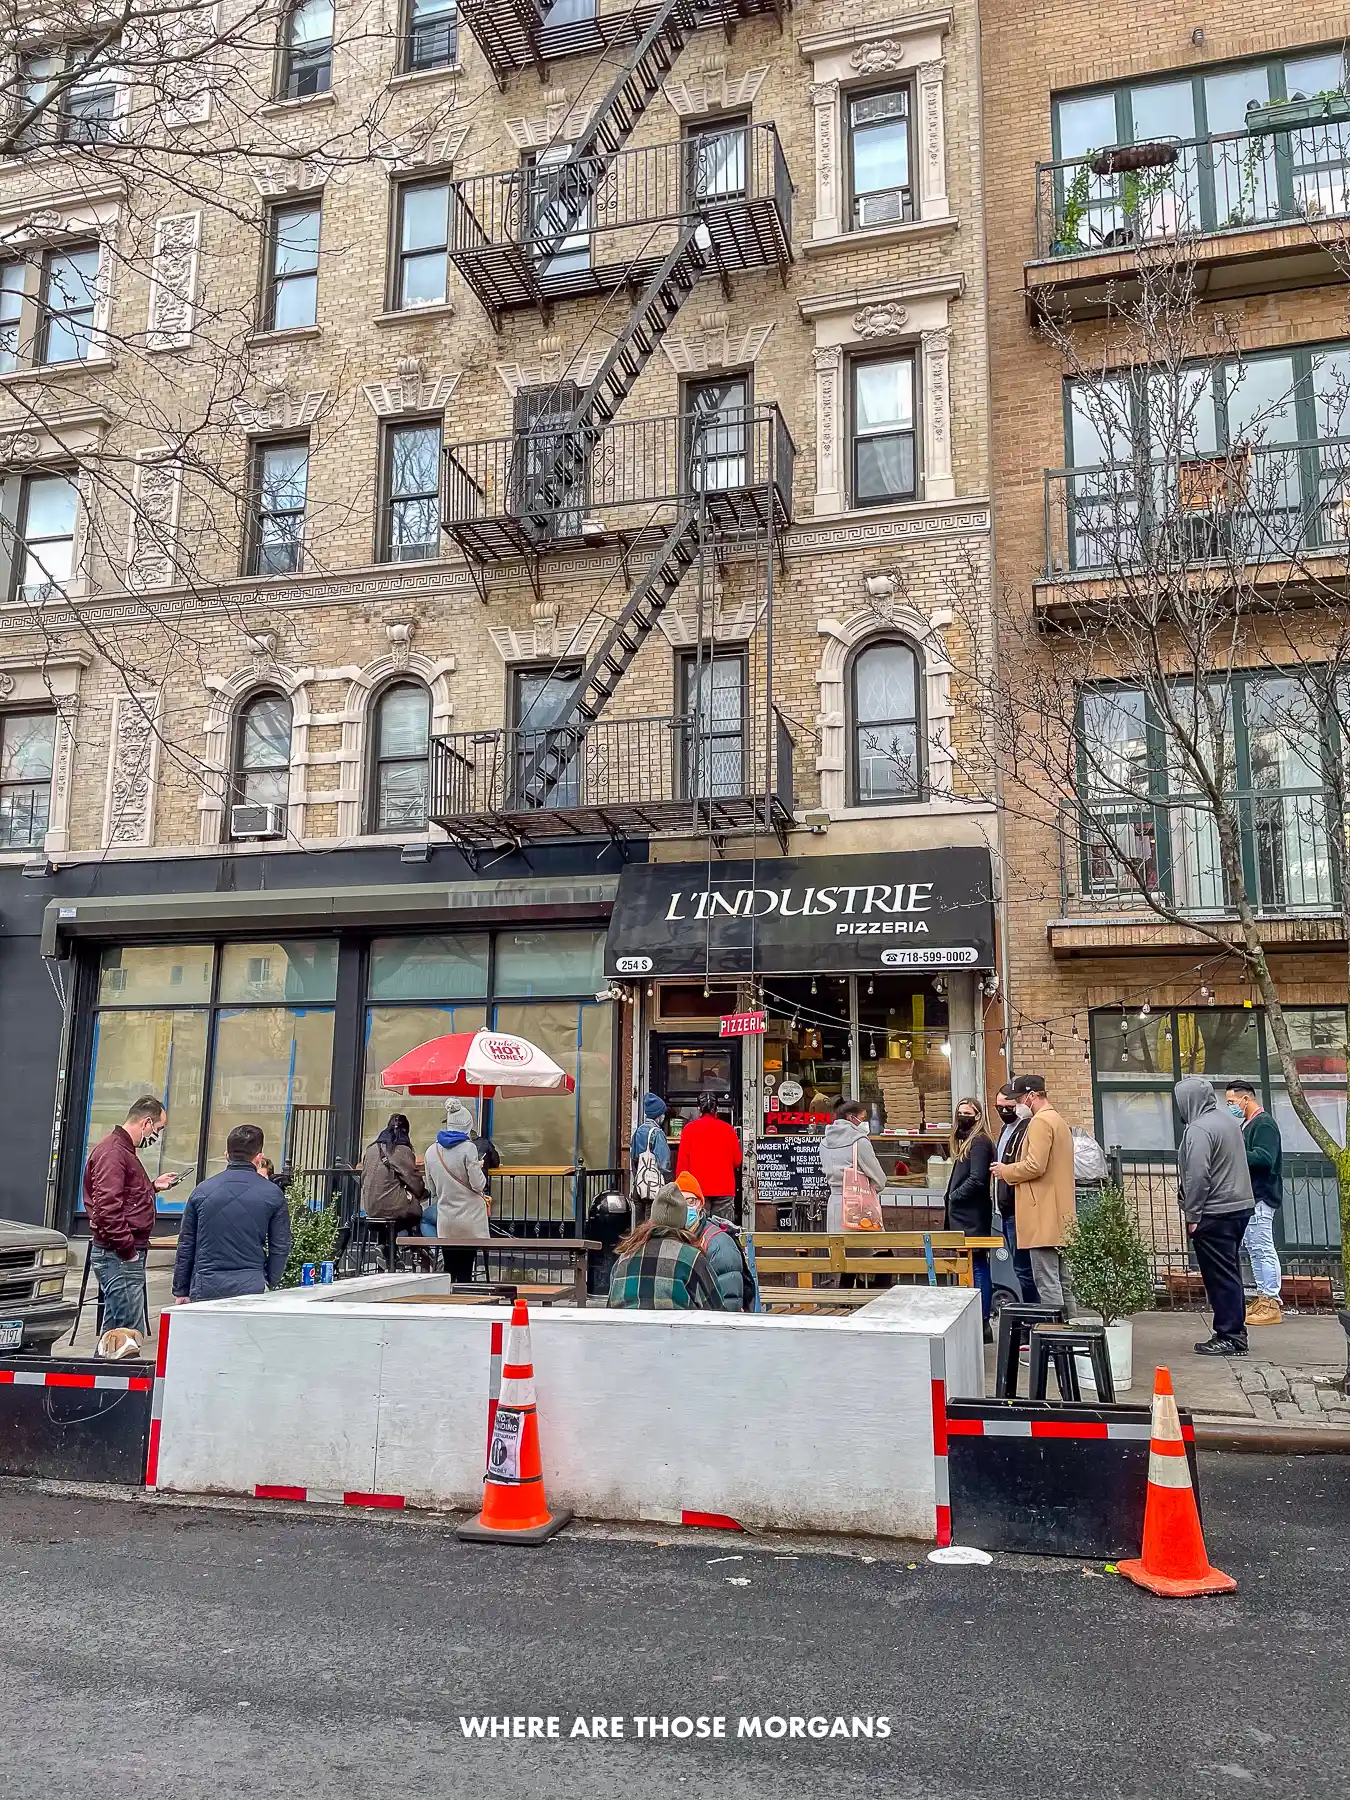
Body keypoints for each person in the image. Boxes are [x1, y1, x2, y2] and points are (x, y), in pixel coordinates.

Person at [82, 1095, 178, 1336]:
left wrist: (153, 1186)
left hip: (120, 1251)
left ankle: (106, 1367)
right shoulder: (114, 1153)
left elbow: (119, 1197)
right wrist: (129, 1252)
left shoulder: (119, 1150)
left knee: (116, 1329)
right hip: (119, 1254)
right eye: (159, 1129)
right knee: (127, 1331)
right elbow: (107, 1209)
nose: (157, 1135)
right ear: (146, 1123)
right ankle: (115, 1368)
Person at [1175, 1076, 1255, 1356]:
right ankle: (1235, 1330)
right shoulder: (1227, 1122)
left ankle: (1230, 1336)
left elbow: (1198, 1175)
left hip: (1216, 1211)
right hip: (1238, 1207)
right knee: (1229, 1272)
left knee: (1220, 1276)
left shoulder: (1198, 1129)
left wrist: (1193, 1213)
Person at [172, 1124, 292, 1303]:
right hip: (252, 1284)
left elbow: (186, 1243)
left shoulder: (202, 1191)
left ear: (226, 1154)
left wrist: (181, 1290)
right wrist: (269, 1280)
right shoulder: (273, 1194)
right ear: (259, 1158)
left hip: (206, 1284)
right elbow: (280, 1246)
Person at [989, 1074, 1076, 1313]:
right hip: (1059, 1215)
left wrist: (1006, 1170)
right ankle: (1068, 1334)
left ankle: (1054, 1339)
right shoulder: (1058, 1120)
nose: (1017, 1105)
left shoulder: (1040, 1122)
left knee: (1047, 1283)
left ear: (1031, 1096)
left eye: (1018, 1099)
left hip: (1042, 1215)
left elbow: (1034, 1165)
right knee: (1062, 1282)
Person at [606, 1182, 728, 1310]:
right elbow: (717, 1311)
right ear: (682, 1220)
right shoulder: (692, 1259)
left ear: (652, 1218)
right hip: (675, 1329)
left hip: (626, 1330)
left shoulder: (625, 1257)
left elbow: (610, 1309)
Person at [1225, 1079, 1284, 1327]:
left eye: (1231, 1102)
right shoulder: (1247, 1124)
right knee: (1254, 1247)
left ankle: (1270, 1301)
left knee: (1261, 1247)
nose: (1230, 1107)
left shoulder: (1263, 1124)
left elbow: (1265, 1158)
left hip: (1261, 1195)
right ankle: (1263, 1298)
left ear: (1245, 1099)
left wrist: (1234, 1154)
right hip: (1251, 1196)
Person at [422, 1101, 490, 1281]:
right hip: (469, 1219)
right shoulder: (469, 1148)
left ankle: (451, 1299)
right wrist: (479, 1168)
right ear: (467, 1125)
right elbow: (478, 1185)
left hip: (446, 1218)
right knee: (466, 1269)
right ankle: (465, 1300)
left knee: (450, 1266)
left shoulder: (431, 1151)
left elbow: (432, 1189)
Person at [945, 1096, 995, 1341]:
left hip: (971, 1216)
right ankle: (976, 1318)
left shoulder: (979, 1143)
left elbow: (977, 1179)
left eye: (967, 1112)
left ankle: (982, 1319)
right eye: (960, 1112)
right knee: (970, 1265)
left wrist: (954, 1197)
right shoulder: (966, 1142)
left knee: (977, 1264)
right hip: (964, 1216)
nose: (962, 1117)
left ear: (977, 1116)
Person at [675, 1170, 751, 1311]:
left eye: (691, 1201)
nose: (685, 1207)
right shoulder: (672, 1237)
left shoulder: (719, 1245)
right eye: (679, 1201)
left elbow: (730, 1301)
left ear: (700, 1205)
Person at [360, 1112, 425, 1270]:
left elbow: (363, 1179)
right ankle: (417, 1254)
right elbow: (413, 1179)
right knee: (415, 1213)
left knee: (388, 1214)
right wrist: (422, 1193)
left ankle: (386, 1249)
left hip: (370, 1209)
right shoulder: (402, 1150)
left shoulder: (371, 1149)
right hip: (391, 1209)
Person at [992, 1086, 1038, 1304]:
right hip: (1005, 1208)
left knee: (1024, 1268)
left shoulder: (1027, 1129)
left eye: (1008, 1107)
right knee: (1019, 1266)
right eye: (998, 1107)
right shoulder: (1005, 1129)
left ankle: (1033, 1314)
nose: (1003, 1111)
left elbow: (1027, 1166)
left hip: (1018, 1207)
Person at [819, 1097, 886, 1234]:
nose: (864, 1122)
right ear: (851, 1118)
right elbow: (880, 1180)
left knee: (838, 1251)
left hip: (834, 1206)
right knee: (861, 1253)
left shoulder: (824, 1143)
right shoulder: (859, 1141)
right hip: (858, 1208)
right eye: (862, 1118)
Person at [674, 1094, 743, 1223]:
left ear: (699, 1109)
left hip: (697, 1189)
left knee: (698, 1230)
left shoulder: (689, 1129)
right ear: (716, 1109)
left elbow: (682, 1165)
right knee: (724, 1230)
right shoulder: (728, 1129)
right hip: (724, 1188)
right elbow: (737, 1161)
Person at [630, 1092, 671, 1207]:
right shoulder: (657, 1133)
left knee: (639, 1223)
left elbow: (634, 1159)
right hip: (652, 1188)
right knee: (651, 1222)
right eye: (663, 1113)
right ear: (659, 1115)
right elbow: (664, 1164)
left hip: (639, 1186)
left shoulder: (638, 1131)